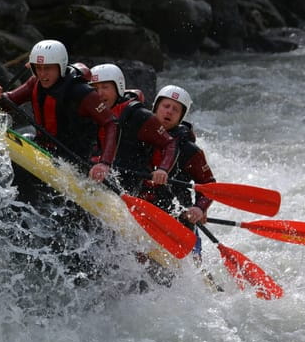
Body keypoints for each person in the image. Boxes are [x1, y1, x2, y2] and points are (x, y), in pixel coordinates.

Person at [0, 40, 117, 182]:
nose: (42, 74)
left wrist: (104, 163)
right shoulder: (34, 83)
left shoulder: (81, 92)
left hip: (71, 163)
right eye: (38, 68)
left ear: (61, 66)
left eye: (47, 68)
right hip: (42, 149)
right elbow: (8, 102)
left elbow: (111, 123)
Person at [87, 63, 176, 194]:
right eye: (95, 88)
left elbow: (170, 143)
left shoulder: (138, 115)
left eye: (105, 87)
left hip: (128, 185)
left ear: (118, 88)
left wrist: (163, 169)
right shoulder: (92, 111)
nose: (99, 93)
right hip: (99, 178)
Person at [143, 85, 216, 226]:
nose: (169, 111)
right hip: (140, 206)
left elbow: (208, 184)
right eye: (166, 106)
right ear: (156, 108)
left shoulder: (189, 149)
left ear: (181, 117)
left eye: (175, 109)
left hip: (176, 215)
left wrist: (199, 208)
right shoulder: (141, 136)